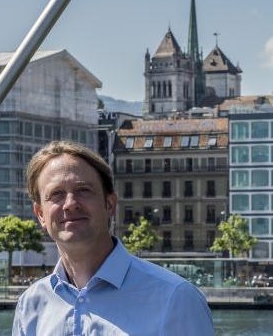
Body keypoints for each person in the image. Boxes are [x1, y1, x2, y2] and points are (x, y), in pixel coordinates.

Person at [12, 140, 215, 335]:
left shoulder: (175, 298)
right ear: (40, 214)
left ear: (109, 204)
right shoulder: (31, 305)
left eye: (83, 190)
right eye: (56, 193)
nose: (70, 203)